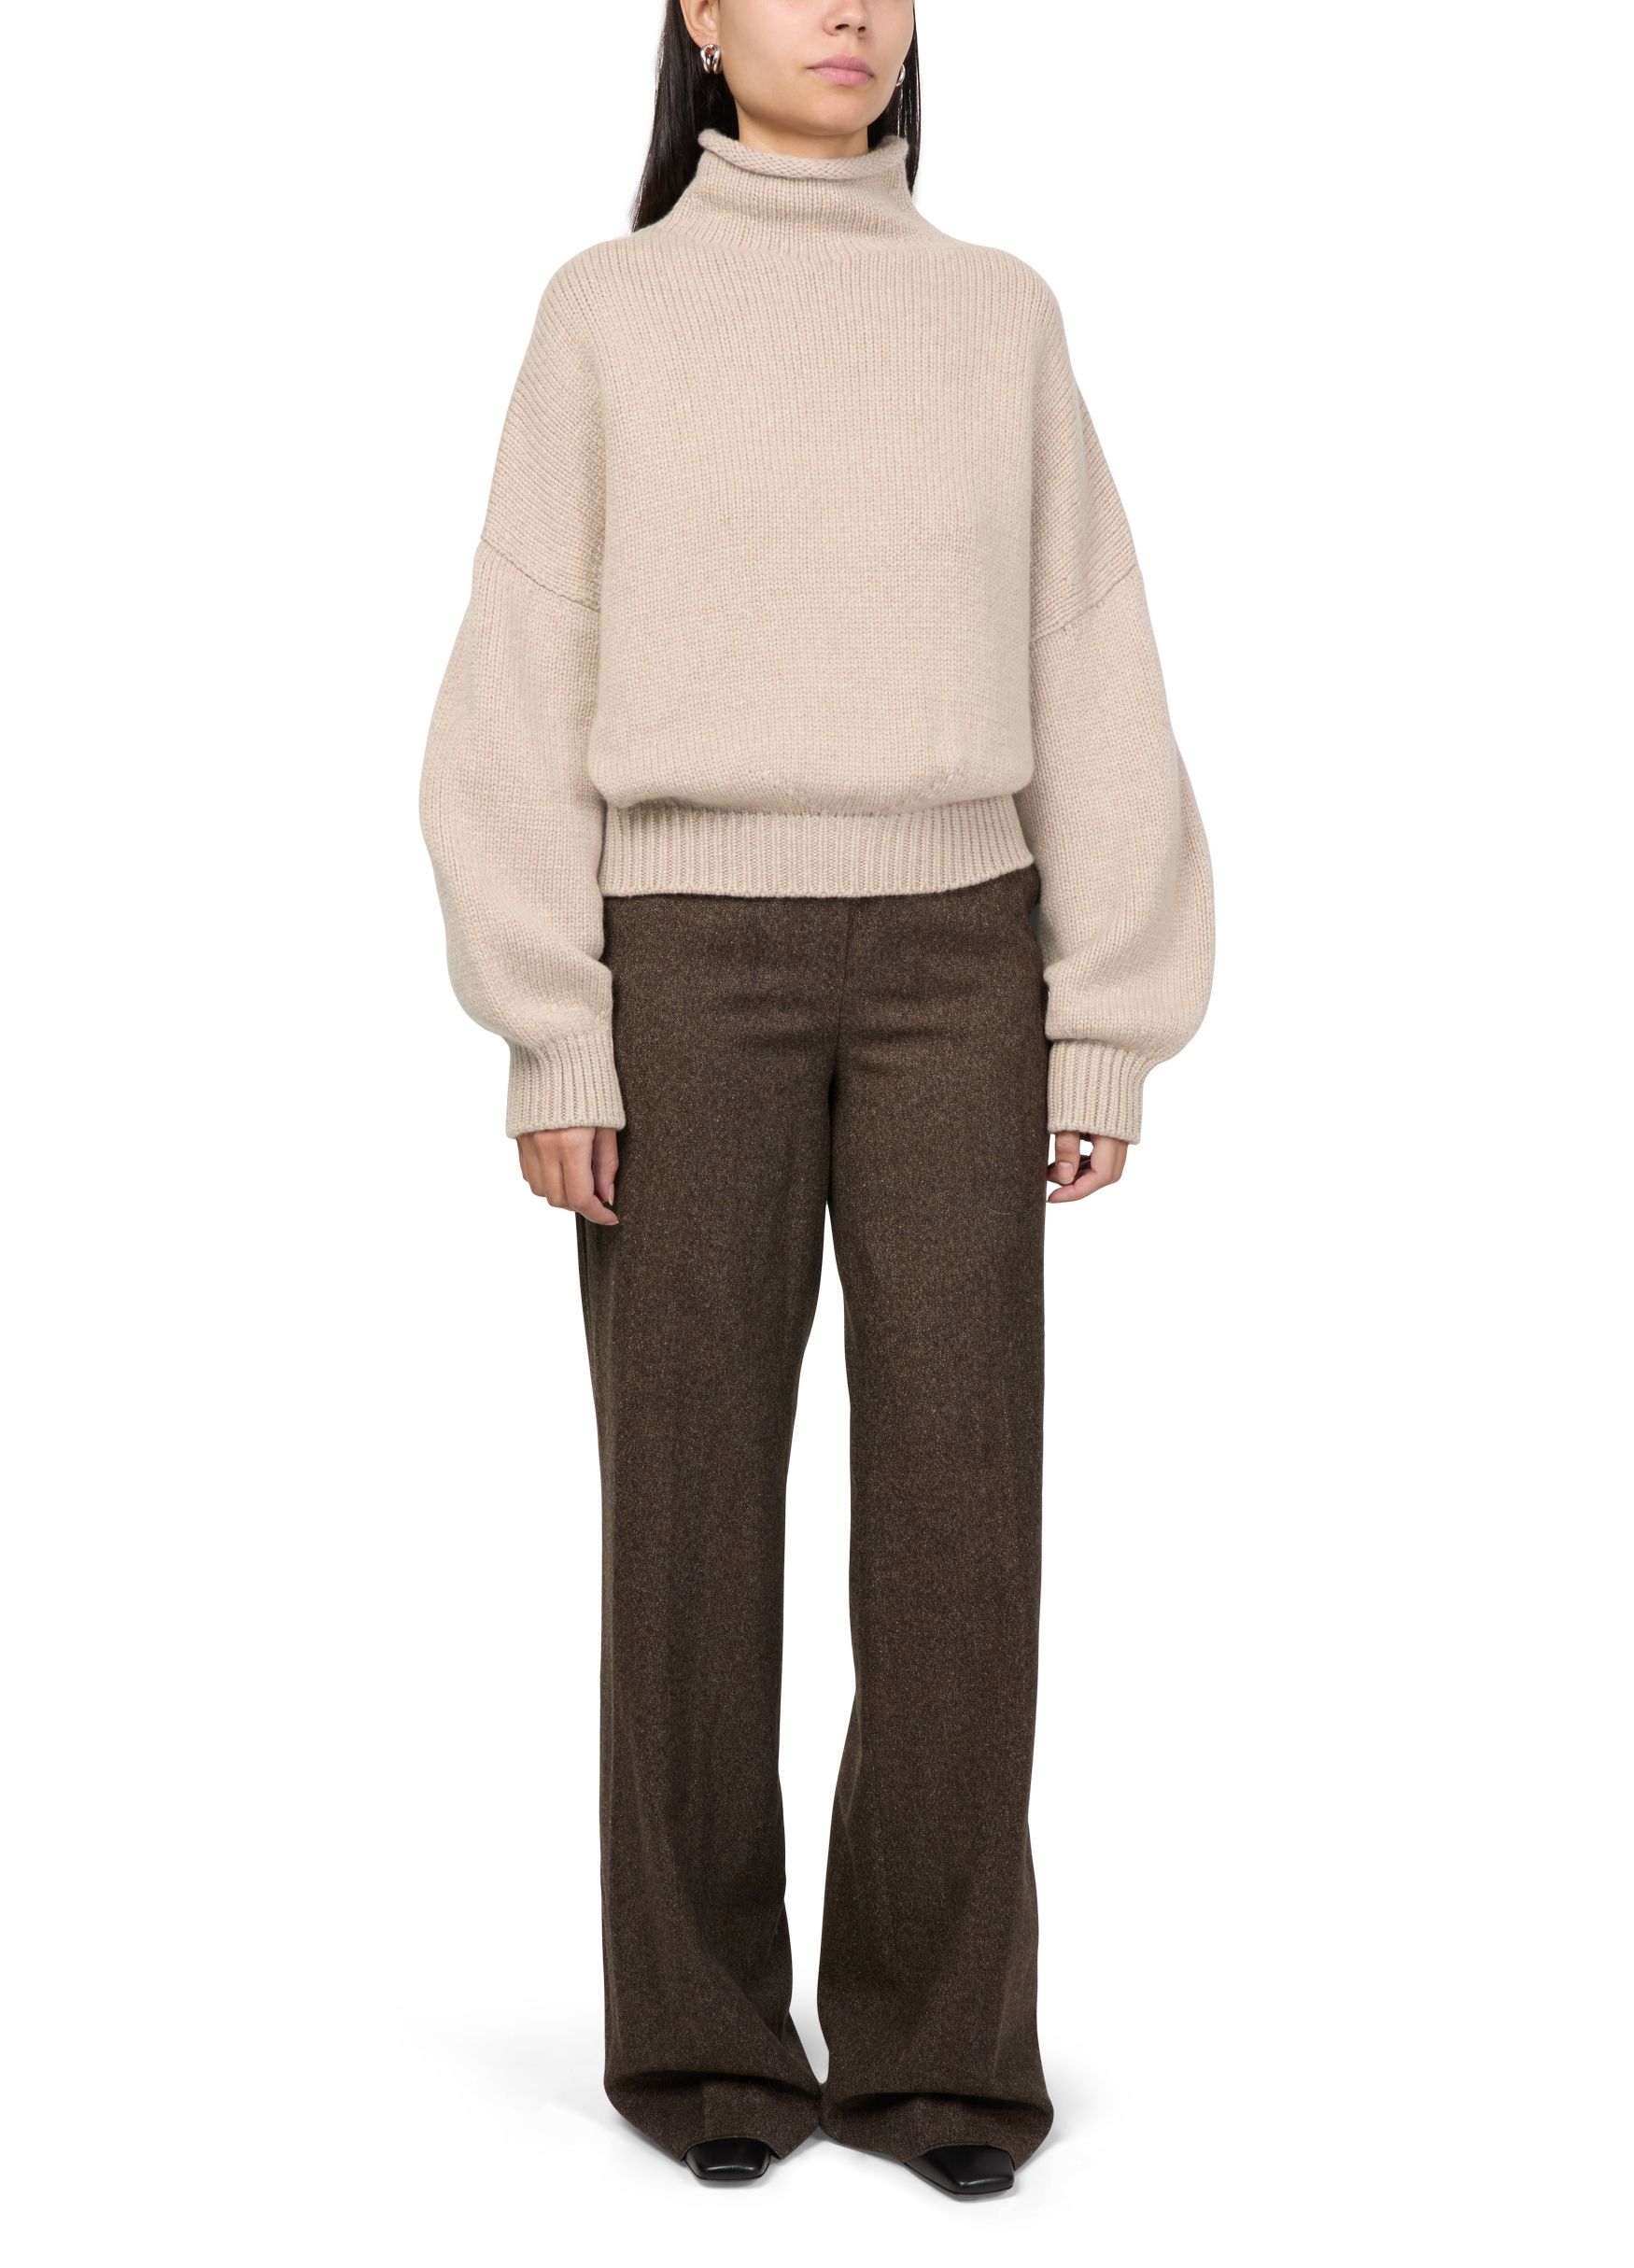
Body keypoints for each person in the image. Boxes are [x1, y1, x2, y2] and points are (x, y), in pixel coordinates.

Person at [419, 0, 1214, 2202]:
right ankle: (699, 2037)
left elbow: (1085, 657)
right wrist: (552, 1023)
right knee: (687, 1525)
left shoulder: (997, 316)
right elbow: (518, 675)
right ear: (696, 15)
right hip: (681, 969)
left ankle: (938, 2048)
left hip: (966, 955)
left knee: (959, 1528)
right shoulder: (606, 315)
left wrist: (1104, 1012)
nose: (847, 10)